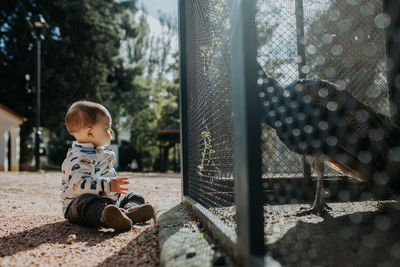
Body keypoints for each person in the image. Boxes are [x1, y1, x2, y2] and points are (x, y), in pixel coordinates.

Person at [60, 100, 155, 232]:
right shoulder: (77, 157)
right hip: (78, 203)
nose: (112, 132)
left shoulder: (101, 153)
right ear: (90, 133)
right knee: (87, 203)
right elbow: (80, 185)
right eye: (107, 128)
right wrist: (108, 185)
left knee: (134, 197)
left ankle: (125, 214)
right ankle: (107, 216)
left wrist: (113, 188)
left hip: (109, 200)